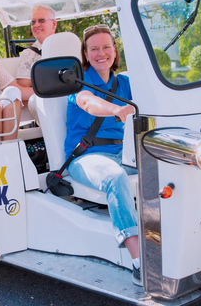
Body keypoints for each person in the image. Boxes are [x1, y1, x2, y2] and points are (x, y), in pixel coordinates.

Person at [64, 24, 141, 286]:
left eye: (106, 47)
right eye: (94, 48)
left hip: (124, 152)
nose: (101, 53)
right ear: (85, 54)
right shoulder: (78, 84)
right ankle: (140, 262)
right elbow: (89, 103)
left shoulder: (125, 83)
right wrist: (117, 109)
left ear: (114, 50)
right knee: (115, 178)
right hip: (86, 157)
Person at [16, 4, 57, 120]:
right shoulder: (28, 54)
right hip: (44, 103)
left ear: (53, 24)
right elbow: (22, 92)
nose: (36, 25)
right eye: (33, 22)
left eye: (41, 20)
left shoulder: (67, 46)